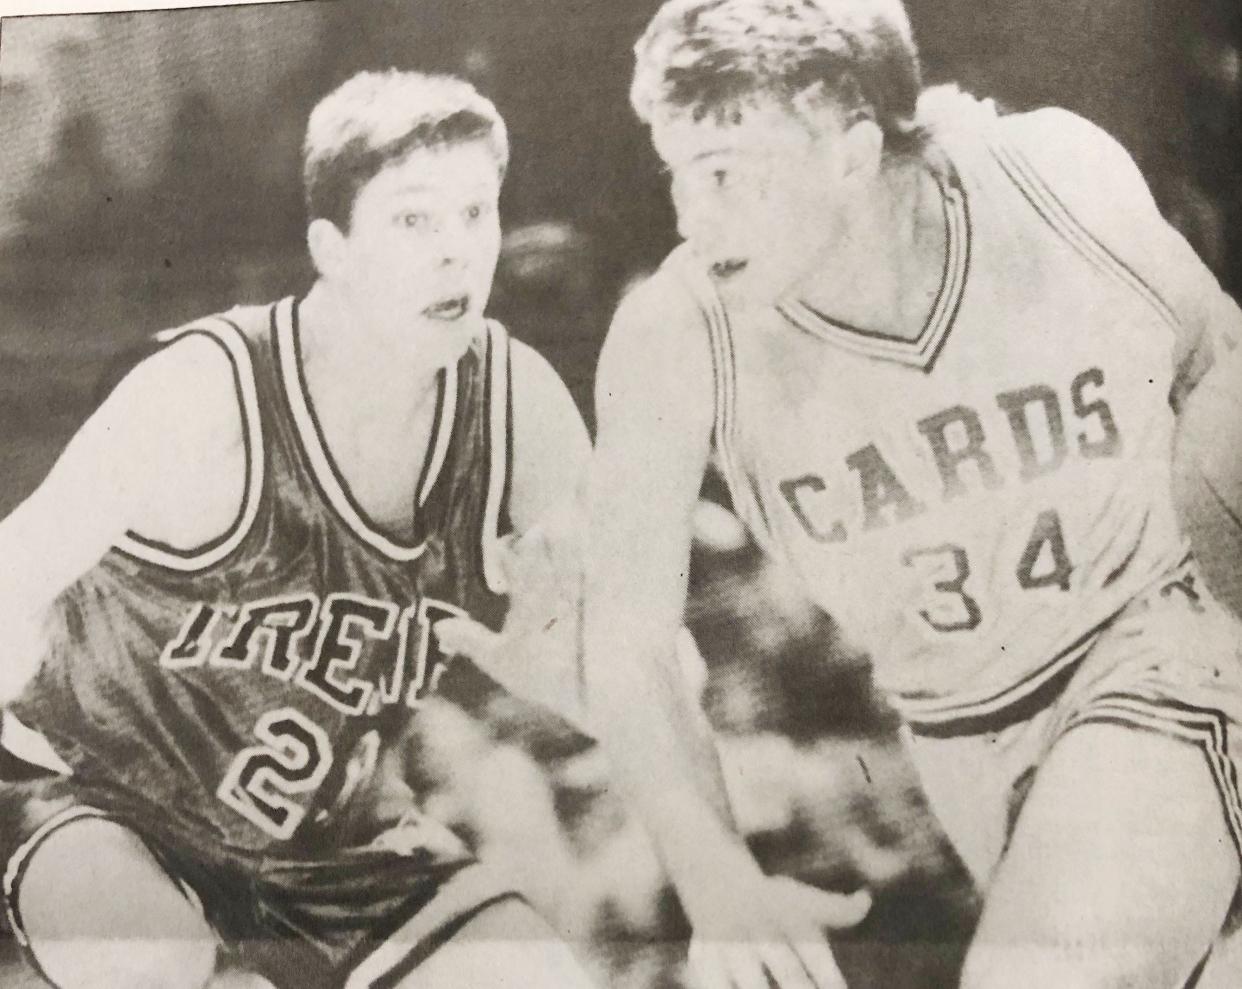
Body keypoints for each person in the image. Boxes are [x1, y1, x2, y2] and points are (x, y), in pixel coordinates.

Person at [578, 1, 1242, 986]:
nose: (689, 212)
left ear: (849, 154)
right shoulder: (677, 335)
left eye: (723, 173)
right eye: (676, 168)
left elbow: (1218, 363)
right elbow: (625, 643)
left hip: (1162, 652)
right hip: (963, 743)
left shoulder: (1051, 179)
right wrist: (715, 878)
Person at [0, 69, 593, 989]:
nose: (456, 253)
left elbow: (646, 663)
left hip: (322, 830)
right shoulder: (205, 391)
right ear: (334, 248)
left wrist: (588, 679)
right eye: (414, 220)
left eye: (478, 214)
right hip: (91, 793)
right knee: (156, 962)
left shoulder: (521, 406)